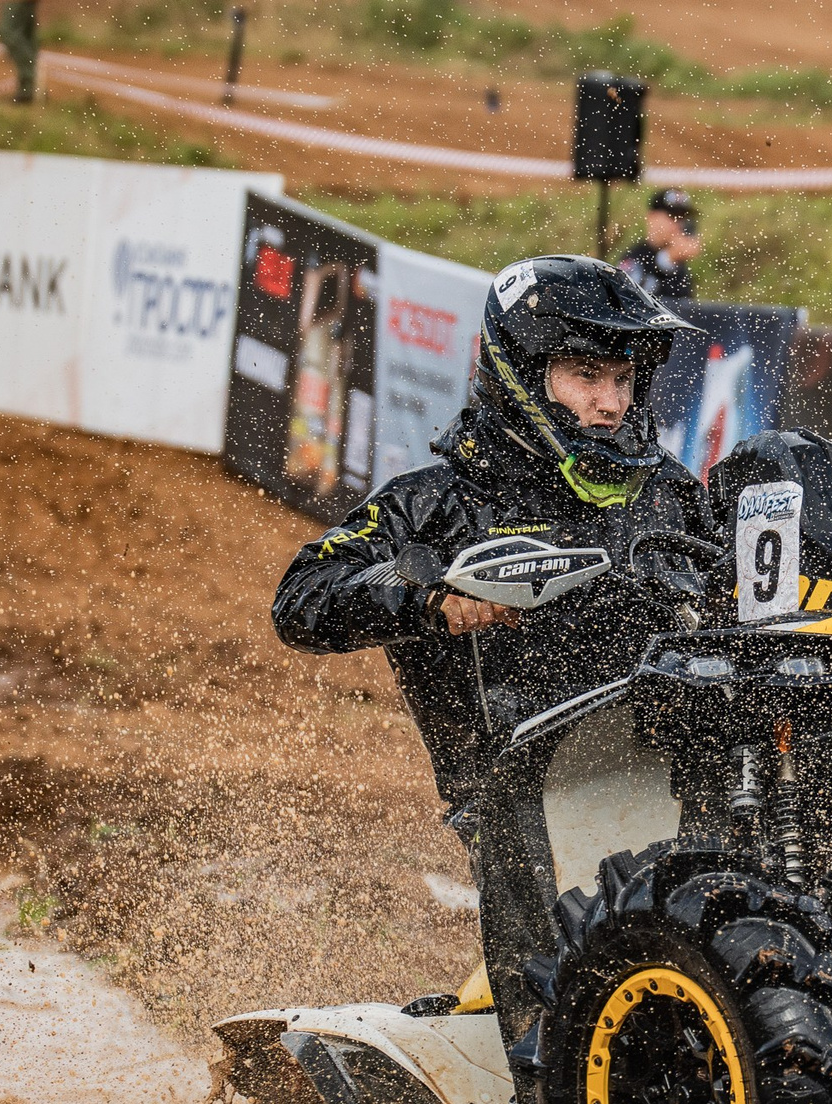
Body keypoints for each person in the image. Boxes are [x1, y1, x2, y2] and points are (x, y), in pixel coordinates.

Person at [271, 255, 719, 1060]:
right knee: (527, 831)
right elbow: (302, 593)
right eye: (586, 375)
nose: (611, 402)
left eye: (622, 378)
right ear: (521, 371)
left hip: (684, 781)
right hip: (524, 803)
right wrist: (428, 597)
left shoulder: (673, 497)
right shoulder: (441, 502)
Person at [617, 188, 700, 302]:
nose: (679, 223)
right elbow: (629, 299)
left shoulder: (679, 264)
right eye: (672, 216)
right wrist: (667, 260)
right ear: (652, 217)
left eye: (682, 218)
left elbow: (684, 306)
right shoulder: (634, 257)